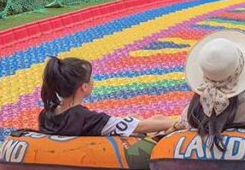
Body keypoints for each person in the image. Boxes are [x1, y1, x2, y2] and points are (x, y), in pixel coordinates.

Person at [37, 56, 176, 137]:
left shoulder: (47, 114)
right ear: (84, 87)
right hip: (101, 150)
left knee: (134, 117)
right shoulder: (85, 118)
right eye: (91, 78)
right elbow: (140, 127)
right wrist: (176, 122)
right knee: (159, 121)